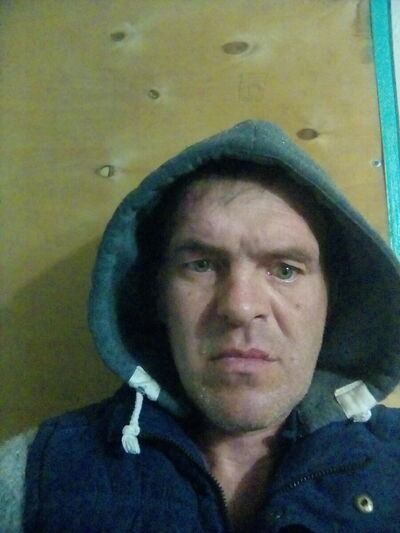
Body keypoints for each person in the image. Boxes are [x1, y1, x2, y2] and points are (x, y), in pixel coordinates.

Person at [1, 120, 400, 532]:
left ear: (332, 301)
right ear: (157, 294)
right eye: (202, 265)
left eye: (285, 270)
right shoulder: (32, 478)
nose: (240, 307)